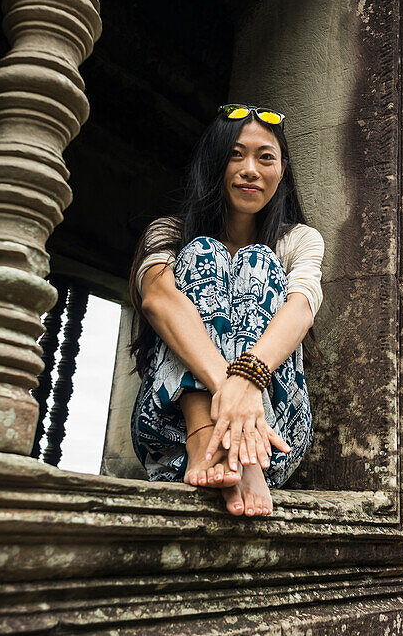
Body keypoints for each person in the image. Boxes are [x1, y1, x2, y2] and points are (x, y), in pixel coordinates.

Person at [128, 104, 323, 518]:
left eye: (265, 157)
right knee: (203, 252)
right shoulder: (169, 233)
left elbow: (301, 309)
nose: (250, 169)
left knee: (258, 261)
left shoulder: (300, 240)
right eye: (236, 154)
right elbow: (159, 301)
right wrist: (232, 392)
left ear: (282, 170)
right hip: (173, 435)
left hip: (272, 439)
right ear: (215, 163)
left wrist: (249, 380)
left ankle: (241, 453)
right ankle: (206, 438)